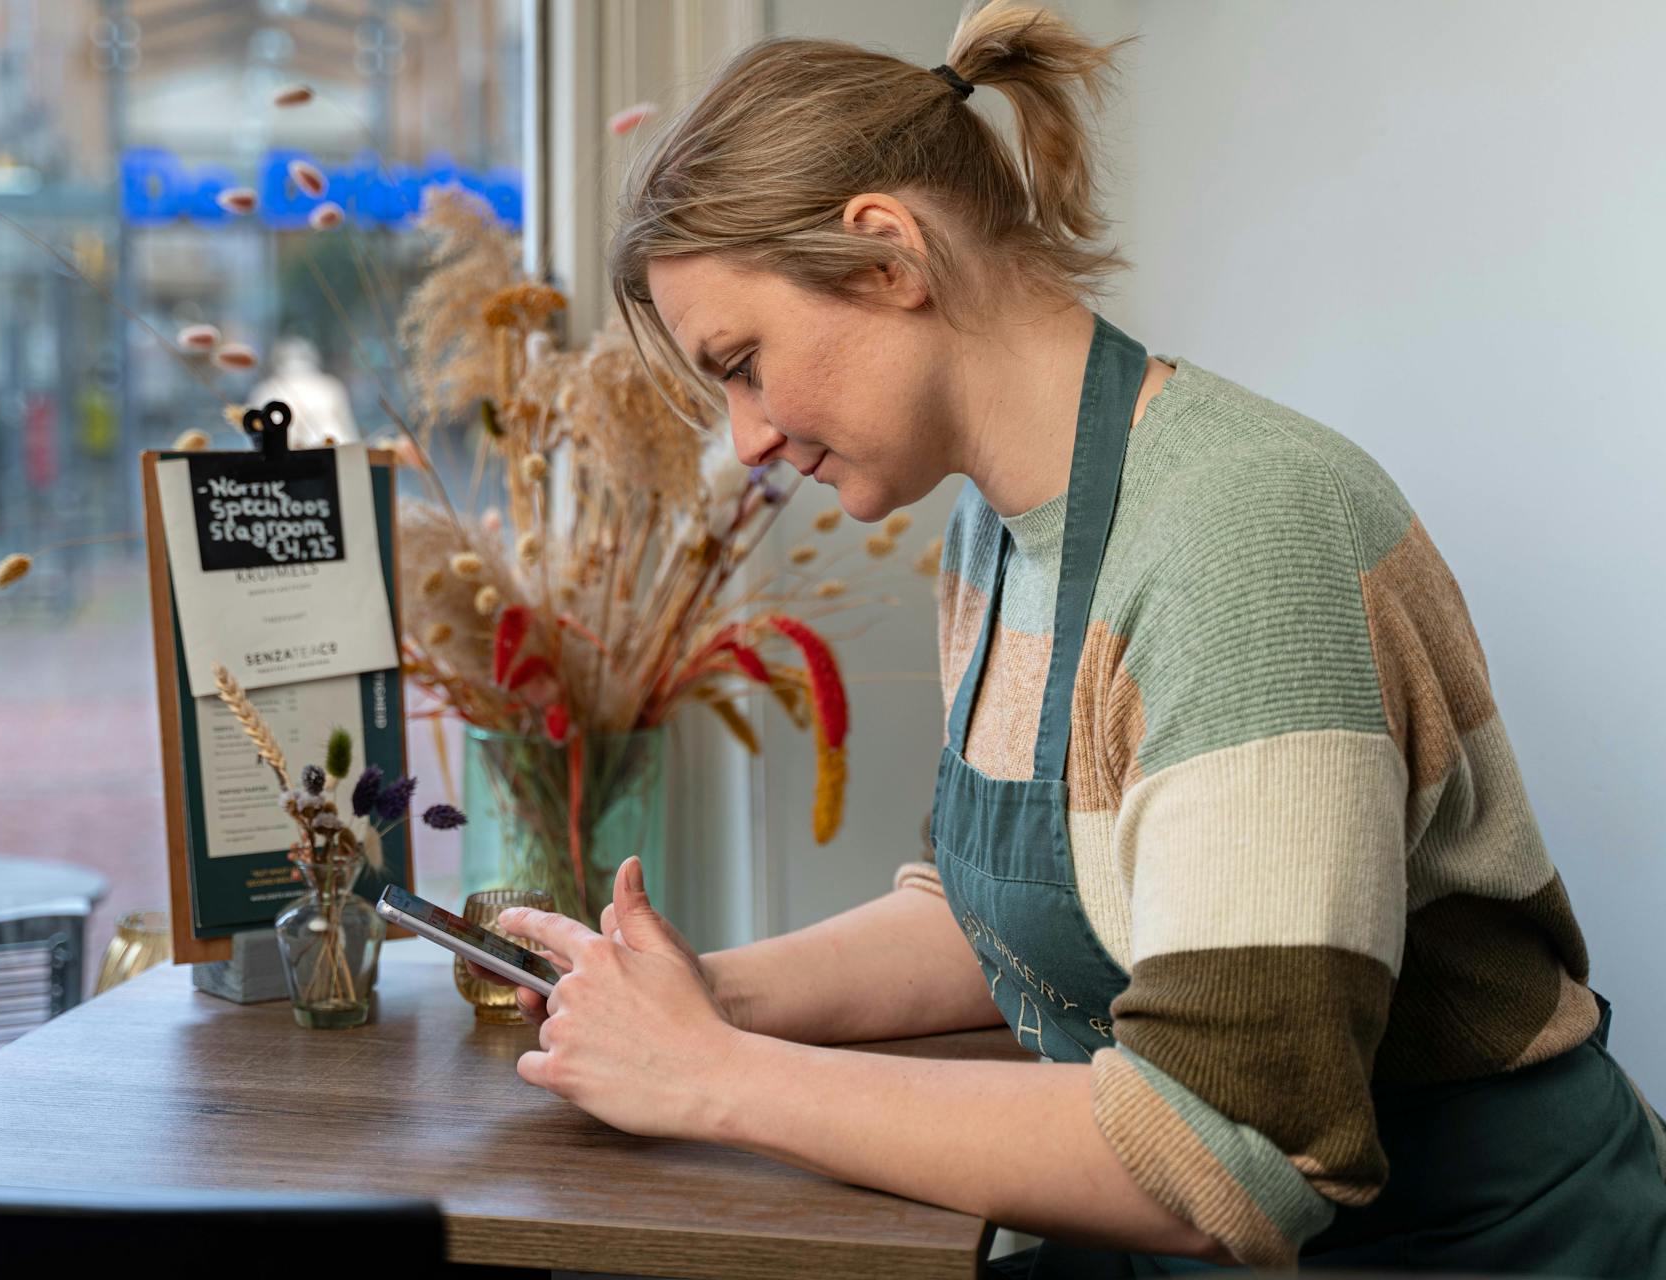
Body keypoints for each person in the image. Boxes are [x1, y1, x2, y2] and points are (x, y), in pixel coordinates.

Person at [470, 3, 1666, 1274]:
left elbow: (1229, 1156)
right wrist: (708, 993)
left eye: (747, 362)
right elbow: (1006, 926)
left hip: (1470, 1247)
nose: (748, 438)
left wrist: (717, 1078)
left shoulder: (1240, 542)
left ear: (887, 255)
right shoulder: (1001, 528)